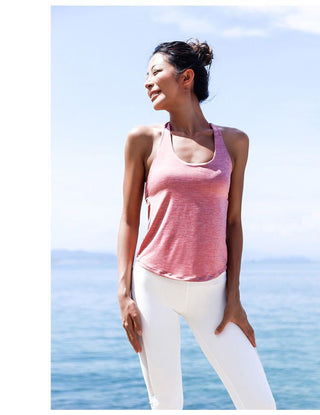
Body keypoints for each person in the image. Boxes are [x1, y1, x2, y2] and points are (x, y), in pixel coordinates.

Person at [117, 38, 276, 410]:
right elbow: (128, 219)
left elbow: (234, 222)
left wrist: (233, 296)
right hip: (153, 284)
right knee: (167, 404)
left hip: (214, 292)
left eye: (156, 72)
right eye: (146, 74)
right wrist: (124, 294)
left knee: (259, 403)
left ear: (186, 77)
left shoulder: (235, 142)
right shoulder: (143, 140)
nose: (147, 82)